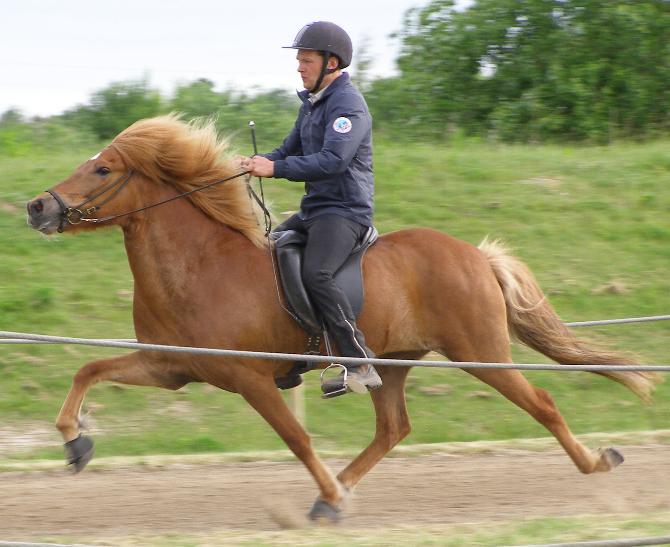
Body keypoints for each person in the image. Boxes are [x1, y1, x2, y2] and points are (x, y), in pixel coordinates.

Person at [240, 21, 382, 397]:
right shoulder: (311, 106)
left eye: (306, 60)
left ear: (331, 63)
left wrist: (276, 169)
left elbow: (333, 160)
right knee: (267, 253)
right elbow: (287, 152)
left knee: (318, 273)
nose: (299, 67)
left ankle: (359, 360)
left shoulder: (347, 106)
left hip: (344, 211)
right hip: (315, 209)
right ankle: (293, 359)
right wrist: (256, 162)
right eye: (299, 61)